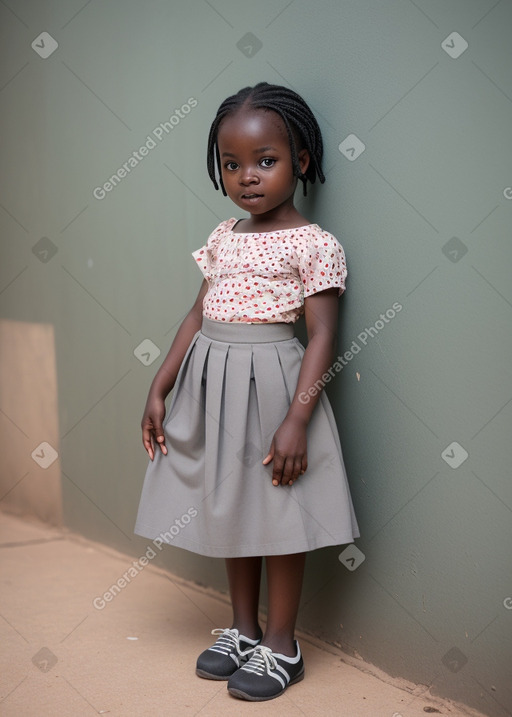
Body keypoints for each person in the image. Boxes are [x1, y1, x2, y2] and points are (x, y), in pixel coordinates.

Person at [134, 81, 360, 702]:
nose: (247, 178)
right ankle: (243, 628)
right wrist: (161, 384)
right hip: (213, 388)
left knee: (280, 512)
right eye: (232, 164)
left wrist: (297, 419)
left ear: (302, 161)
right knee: (232, 507)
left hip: (275, 390)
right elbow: (195, 313)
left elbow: (320, 337)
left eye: (266, 161)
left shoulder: (315, 244)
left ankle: (283, 646)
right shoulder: (225, 234)